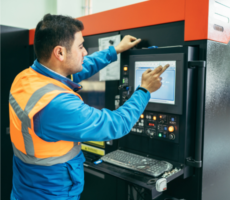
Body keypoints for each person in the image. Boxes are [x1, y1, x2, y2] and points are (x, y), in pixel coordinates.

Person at [9, 14, 169, 200]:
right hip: (53, 193)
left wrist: (114, 51)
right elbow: (115, 125)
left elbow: (81, 68)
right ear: (59, 53)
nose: (84, 52)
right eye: (80, 46)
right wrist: (144, 90)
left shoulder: (26, 78)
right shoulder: (56, 105)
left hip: (26, 188)